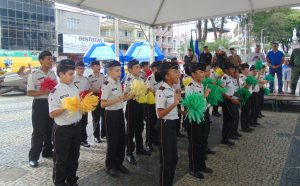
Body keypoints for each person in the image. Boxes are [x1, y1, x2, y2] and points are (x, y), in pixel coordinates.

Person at [49, 59, 82, 186]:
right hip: (62, 130)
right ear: (61, 74)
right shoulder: (55, 92)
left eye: (73, 73)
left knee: (74, 157)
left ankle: (71, 180)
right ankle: (59, 183)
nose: (73, 76)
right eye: (70, 74)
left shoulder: (74, 88)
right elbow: (51, 114)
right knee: (61, 159)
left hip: (76, 127)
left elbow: (78, 106)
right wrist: (66, 106)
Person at [27, 51, 57, 168]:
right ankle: (33, 157)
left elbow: (55, 89)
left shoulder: (52, 74)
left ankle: (47, 151)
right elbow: (29, 92)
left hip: (51, 103)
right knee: (38, 132)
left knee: (51, 130)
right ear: (41, 60)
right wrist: (43, 92)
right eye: (48, 59)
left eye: (51, 59)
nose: (51, 61)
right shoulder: (34, 74)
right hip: (39, 104)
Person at [101, 60, 130, 176]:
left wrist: (129, 96)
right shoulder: (107, 84)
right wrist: (118, 99)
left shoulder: (118, 83)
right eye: (117, 71)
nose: (120, 73)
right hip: (111, 115)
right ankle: (110, 166)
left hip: (119, 113)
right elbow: (102, 104)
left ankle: (119, 163)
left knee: (121, 139)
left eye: (120, 70)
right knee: (113, 141)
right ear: (109, 71)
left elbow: (121, 98)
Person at [184, 62, 213, 179]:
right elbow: (192, 105)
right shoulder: (190, 86)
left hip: (204, 115)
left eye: (204, 71)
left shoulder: (201, 84)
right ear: (193, 74)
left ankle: (201, 165)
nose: (203, 74)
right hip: (194, 118)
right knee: (195, 143)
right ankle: (193, 168)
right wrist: (205, 96)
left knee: (202, 140)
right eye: (201, 72)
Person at [155, 61, 181, 186]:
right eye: (175, 72)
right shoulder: (161, 90)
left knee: (174, 159)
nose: (179, 74)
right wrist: (174, 104)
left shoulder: (172, 88)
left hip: (172, 126)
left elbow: (174, 110)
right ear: (166, 75)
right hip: (164, 127)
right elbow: (160, 114)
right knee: (167, 161)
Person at [124, 59, 151, 165]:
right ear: (130, 70)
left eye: (139, 67)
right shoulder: (129, 79)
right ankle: (129, 152)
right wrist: (135, 93)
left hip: (141, 105)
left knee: (140, 127)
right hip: (132, 105)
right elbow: (125, 94)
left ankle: (139, 148)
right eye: (136, 67)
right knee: (130, 129)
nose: (139, 69)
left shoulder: (140, 78)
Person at [221, 62, 240, 146]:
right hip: (227, 100)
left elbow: (233, 89)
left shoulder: (230, 77)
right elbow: (221, 91)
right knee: (229, 119)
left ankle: (229, 135)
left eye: (233, 69)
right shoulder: (224, 77)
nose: (233, 70)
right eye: (231, 69)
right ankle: (225, 138)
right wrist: (231, 99)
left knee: (232, 118)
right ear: (226, 70)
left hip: (232, 99)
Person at [145, 61, 163, 151]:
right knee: (150, 123)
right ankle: (149, 142)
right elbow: (151, 91)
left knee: (158, 123)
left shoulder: (162, 77)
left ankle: (156, 140)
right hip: (152, 104)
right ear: (155, 68)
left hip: (160, 103)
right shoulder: (150, 78)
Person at [73, 61, 91, 148]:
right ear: (75, 69)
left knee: (84, 122)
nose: (81, 70)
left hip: (84, 104)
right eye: (79, 68)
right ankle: (75, 140)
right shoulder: (72, 79)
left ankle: (84, 140)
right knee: (75, 122)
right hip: (74, 104)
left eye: (83, 68)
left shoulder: (86, 79)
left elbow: (88, 91)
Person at [88, 61, 106, 143]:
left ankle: (103, 133)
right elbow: (88, 89)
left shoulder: (103, 76)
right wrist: (95, 90)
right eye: (96, 65)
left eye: (99, 65)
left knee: (104, 116)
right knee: (96, 118)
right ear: (92, 67)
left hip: (103, 97)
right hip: (94, 97)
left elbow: (106, 84)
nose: (98, 67)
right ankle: (96, 136)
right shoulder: (90, 77)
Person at [239, 63, 254, 133]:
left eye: (248, 69)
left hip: (249, 95)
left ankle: (247, 125)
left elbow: (251, 87)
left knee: (248, 111)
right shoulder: (241, 77)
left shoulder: (247, 76)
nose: (247, 70)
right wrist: (249, 82)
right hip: (245, 96)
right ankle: (244, 127)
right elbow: (245, 87)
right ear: (242, 70)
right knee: (245, 111)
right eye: (246, 69)